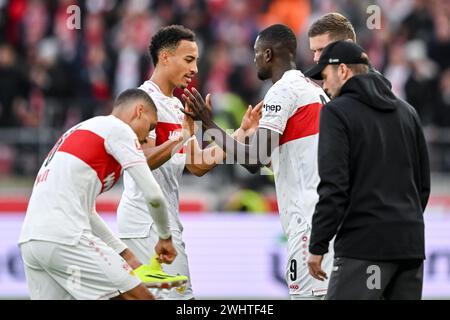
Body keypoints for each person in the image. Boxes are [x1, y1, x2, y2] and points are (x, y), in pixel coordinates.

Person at [182, 24, 333, 300]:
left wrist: (208, 125)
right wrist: (247, 135)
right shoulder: (315, 90)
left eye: (254, 54)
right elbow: (264, 160)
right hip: (325, 217)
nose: (253, 60)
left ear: (267, 54)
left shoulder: (282, 91)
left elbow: (255, 158)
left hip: (308, 222)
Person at [117, 25, 260, 300]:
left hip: (163, 222)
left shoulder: (176, 106)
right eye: (189, 59)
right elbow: (140, 161)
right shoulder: (141, 102)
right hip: (145, 222)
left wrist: (240, 133)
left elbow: (197, 164)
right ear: (165, 58)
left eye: (196, 60)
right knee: (183, 300)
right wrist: (182, 135)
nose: (195, 68)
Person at [18, 89, 178, 300]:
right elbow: (154, 195)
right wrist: (165, 237)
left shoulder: (81, 129)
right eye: (150, 127)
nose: (146, 138)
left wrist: (126, 254)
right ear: (139, 111)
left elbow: (85, 211)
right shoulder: (119, 129)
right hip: (67, 236)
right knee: (141, 297)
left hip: (32, 241)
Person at [305, 41, 430, 300]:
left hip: (364, 247)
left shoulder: (336, 113)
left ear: (343, 71)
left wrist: (317, 244)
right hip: (410, 246)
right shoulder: (408, 113)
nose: (323, 86)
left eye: (325, 76)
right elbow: (422, 186)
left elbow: (334, 187)